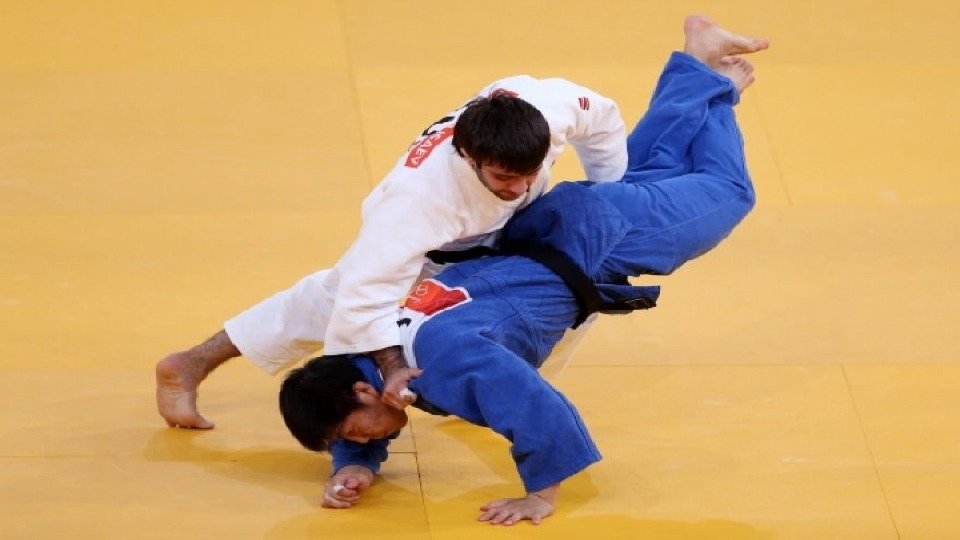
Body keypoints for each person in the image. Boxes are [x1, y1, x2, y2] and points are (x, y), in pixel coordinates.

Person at [279, 15, 769, 526]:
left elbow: (530, 403)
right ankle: (696, 62)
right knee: (656, 170)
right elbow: (352, 402)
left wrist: (540, 496)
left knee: (728, 192)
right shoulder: (368, 350)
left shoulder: (443, 364)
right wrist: (354, 467)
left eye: (353, 435)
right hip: (557, 227)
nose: (362, 439)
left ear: (365, 391)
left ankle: (718, 88)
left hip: (605, 239)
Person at [157, 70, 632, 428]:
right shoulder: (417, 204)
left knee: (575, 296)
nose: (520, 186)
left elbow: (604, 119)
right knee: (337, 300)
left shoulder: (543, 108)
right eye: (504, 177)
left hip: (504, 230)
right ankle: (190, 364)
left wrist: (609, 195)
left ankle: (515, 387)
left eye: (530, 173)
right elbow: (367, 299)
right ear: (468, 155)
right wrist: (395, 368)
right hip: (438, 249)